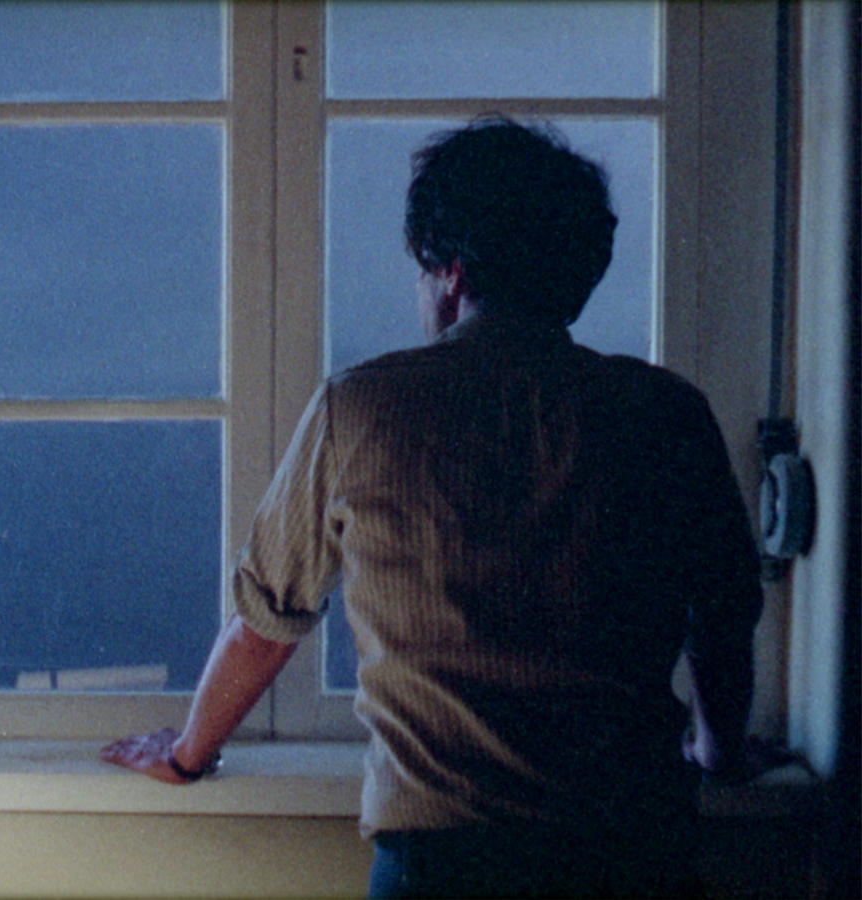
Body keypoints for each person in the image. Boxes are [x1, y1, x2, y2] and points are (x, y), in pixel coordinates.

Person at [101, 116, 762, 898]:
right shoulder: (666, 413)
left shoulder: (363, 408)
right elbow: (723, 617)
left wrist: (187, 753)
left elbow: (262, 625)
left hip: (441, 865)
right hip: (632, 857)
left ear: (450, 272)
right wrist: (720, 753)